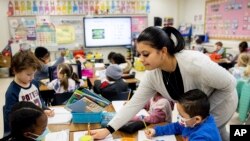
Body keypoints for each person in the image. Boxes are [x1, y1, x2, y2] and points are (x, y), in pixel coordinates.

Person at [90, 26, 237, 141]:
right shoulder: (152, 75)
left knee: (211, 134)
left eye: (145, 54)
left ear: (163, 51)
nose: (140, 59)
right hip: (195, 113)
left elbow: (230, 83)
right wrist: (108, 130)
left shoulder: (195, 64)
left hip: (221, 102)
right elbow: (134, 104)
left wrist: (203, 111)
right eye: (139, 54)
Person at [4, 50, 54, 135]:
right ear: (15, 70)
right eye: (28, 74)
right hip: (26, 132)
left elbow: (39, 99)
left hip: (39, 125)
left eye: (34, 74)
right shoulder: (12, 92)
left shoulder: (34, 83)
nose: (32, 77)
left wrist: (44, 109)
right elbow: (11, 119)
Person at [144, 89, 222, 141]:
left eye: (182, 115)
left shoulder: (203, 136)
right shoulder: (191, 122)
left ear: (197, 119)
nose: (179, 117)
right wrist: (156, 131)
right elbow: (176, 127)